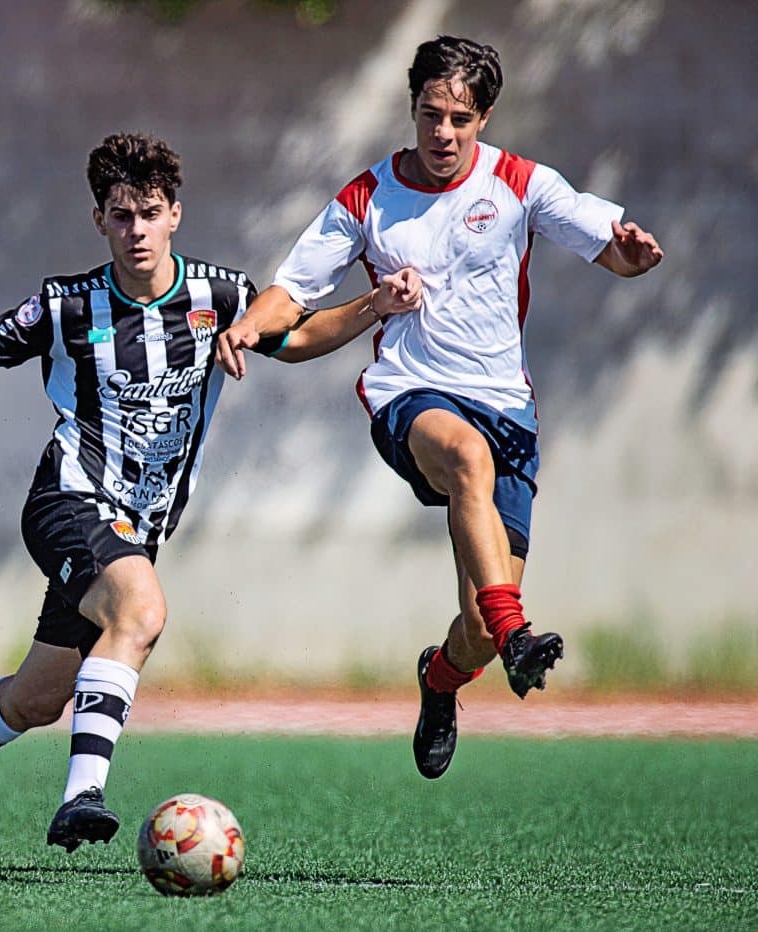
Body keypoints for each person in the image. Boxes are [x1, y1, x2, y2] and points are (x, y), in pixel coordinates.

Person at [0, 133, 421, 869]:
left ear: (175, 215)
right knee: (143, 612)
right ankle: (79, 796)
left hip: (137, 527)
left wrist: (375, 304)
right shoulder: (64, 305)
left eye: (149, 213)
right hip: (69, 498)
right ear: (100, 221)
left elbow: (300, 334)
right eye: (121, 216)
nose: (137, 230)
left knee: (36, 699)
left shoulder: (218, 297)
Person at [218, 35, 663, 780]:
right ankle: (519, 634)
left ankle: (441, 680)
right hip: (411, 396)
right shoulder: (367, 197)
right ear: (413, 108)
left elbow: (610, 249)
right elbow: (291, 291)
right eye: (430, 114)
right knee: (464, 458)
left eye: (459, 117)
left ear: (484, 117)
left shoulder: (522, 182)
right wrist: (246, 325)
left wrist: (633, 257)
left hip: (506, 408)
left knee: (477, 631)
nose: (442, 133)